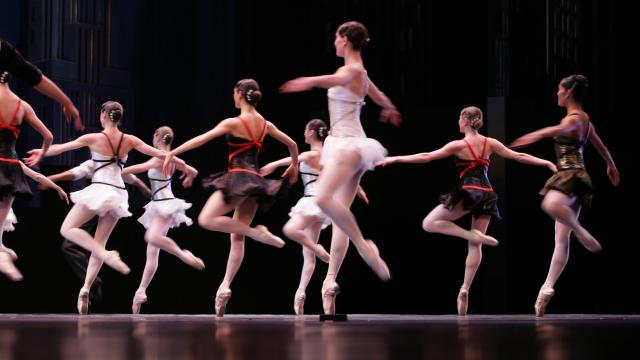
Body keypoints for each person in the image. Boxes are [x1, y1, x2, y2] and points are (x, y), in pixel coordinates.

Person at [379, 106, 557, 315]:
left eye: (459, 118)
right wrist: (545, 162)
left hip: (469, 190)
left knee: (429, 223)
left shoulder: (458, 145)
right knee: (476, 245)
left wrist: (396, 158)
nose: (457, 122)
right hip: (487, 193)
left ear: (465, 120)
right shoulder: (490, 143)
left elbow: (427, 156)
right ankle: (465, 288)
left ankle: (468, 235)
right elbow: (518, 157)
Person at [280, 21, 401, 314]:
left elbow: (332, 81)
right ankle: (331, 278)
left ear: (345, 40)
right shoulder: (363, 73)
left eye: (336, 38)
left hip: (348, 145)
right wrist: (389, 107)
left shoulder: (351, 71)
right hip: (352, 145)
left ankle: (365, 247)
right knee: (339, 216)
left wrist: (306, 82)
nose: (334, 43)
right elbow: (378, 94)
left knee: (322, 198)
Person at [162, 78, 299, 317]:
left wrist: (173, 152)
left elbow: (202, 139)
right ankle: (225, 286)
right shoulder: (265, 124)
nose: (232, 97)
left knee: (206, 220)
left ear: (239, 93)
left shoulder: (234, 122)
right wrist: (294, 166)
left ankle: (259, 234)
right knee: (236, 237)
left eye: (233, 93)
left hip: (238, 179)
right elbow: (293, 144)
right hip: (255, 183)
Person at [26, 100, 178, 314]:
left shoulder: (95, 138)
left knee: (67, 229)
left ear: (104, 115)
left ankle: (106, 256)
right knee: (100, 241)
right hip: (118, 193)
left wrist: (42, 153)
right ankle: (85, 288)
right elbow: (162, 154)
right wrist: (185, 167)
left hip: (100, 189)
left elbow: (62, 148)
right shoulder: (130, 140)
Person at [510, 74, 620, 317]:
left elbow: (563, 129)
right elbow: (602, 148)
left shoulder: (577, 119)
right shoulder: (586, 122)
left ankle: (581, 231)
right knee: (560, 238)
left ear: (568, 92)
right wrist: (611, 166)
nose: (557, 93)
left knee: (550, 204)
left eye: (559, 90)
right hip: (575, 177)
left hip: (572, 176)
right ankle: (546, 288)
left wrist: (537, 134)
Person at [46, 157, 152, 307]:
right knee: (99, 244)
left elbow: (75, 172)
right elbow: (130, 177)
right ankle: (87, 287)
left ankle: (92, 281)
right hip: (116, 199)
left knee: (71, 236)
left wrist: (53, 178)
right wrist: (144, 187)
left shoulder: (96, 161)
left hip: (96, 201)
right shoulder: (116, 163)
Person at [122, 126, 204, 314]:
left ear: (158, 136)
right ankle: (140, 292)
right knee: (152, 251)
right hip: (162, 203)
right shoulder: (173, 158)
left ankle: (184, 255)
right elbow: (193, 170)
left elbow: (138, 168)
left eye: (153, 135)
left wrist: (119, 169)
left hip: (164, 204)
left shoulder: (159, 157)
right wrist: (188, 177)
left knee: (151, 238)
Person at [0, 70, 53, 281]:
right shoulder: (22, 106)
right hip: (10, 165)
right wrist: (42, 152)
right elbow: (48, 136)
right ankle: (1, 249)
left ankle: (1, 253)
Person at [0, 161, 68, 281]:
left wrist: (57, 187)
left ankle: (1, 248)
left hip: (9, 163)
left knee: (5, 208)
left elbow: (38, 176)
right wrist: (57, 188)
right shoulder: (15, 164)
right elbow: (37, 176)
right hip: (9, 164)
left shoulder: (15, 164)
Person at [1, 38, 83, 130]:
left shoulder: (3, 49)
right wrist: (67, 103)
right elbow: (33, 75)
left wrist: (67, 103)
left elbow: (32, 75)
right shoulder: (22, 105)